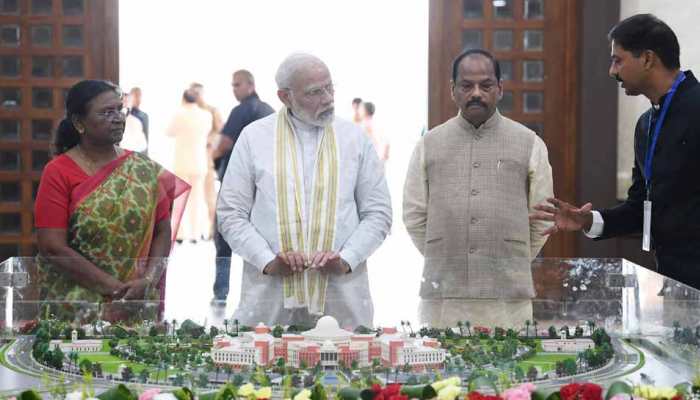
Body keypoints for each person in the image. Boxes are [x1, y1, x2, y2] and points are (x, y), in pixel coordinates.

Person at [217, 53, 392, 327]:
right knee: (267, 366)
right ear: (285, 97)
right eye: (314, 92)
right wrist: (267, 260)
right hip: (269, 298)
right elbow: (230, 213)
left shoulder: (354, 139)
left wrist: (346, 258)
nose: (327, 98)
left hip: (342, 298)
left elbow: (378, 213)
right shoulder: (254, 138)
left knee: (347, 367)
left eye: (330, 87)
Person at [531, 14, 700, 291]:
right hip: (673, 281)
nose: (612, 71)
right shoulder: (645, 125)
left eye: (618, 60)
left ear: (647, 59)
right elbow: (638, 207)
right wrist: (585, 220)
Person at [403, 49, 554, 328]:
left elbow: (542, 217)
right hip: (445, 291)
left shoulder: (529, 142)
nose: (476, 93)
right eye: (466, 85)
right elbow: (414, 214)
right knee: (442, 366)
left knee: (509, 368)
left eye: (485, 85)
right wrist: (446, 251)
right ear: (453, 90)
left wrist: (512, 254)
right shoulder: (429, 144)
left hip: (507, 294)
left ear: (499, 89)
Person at [34, 80, 189, 319]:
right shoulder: (58, 172)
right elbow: (52, 247)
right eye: (106, 112)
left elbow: (161, 230)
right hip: (75, 304)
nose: (118, 118)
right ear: (79, 123)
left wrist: (147, 280)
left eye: (119, 109)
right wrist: (115, 288)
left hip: (135, 301)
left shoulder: (142, 168)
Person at [210, 70, 274, 305]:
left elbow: (225, 143)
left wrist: (211, 158)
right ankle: (261, 296)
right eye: (232, 85)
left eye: (237, 84)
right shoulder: (269, 111)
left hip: (237, 184)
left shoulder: (242, 110)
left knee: (224, 235)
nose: (234, 89)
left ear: (250, 84)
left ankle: (221, 291)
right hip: (266, 186)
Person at [166, 89, 213, 242]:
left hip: (181, 162)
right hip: (199, 161)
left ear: (183, 98)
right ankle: (196, 233)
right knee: (197, 198)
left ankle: (180, 234)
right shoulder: (206, 115)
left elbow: (169, 132)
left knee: (180, 198)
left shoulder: (179, 113)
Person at [189, 82, 224, 239]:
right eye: (192, 92)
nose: (195, 95)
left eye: (198, 92)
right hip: (191, 159)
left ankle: (213, 230)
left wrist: (210, 142)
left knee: (209, 195)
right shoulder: (188, 112)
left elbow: (221, 132)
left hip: (207, 159)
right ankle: (195, 231)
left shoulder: (212, 111)